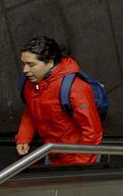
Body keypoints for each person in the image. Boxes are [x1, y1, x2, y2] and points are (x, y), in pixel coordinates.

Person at [15, 37, 103, 165]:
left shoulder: (75, 88)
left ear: (50, 63)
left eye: (31, 65)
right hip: (51, 152)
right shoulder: (30, 83)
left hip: (78, 156)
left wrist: (79, 165)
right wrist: (23, 137)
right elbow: (31, 109)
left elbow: (93, 131)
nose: (25, 70)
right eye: (24, 64)